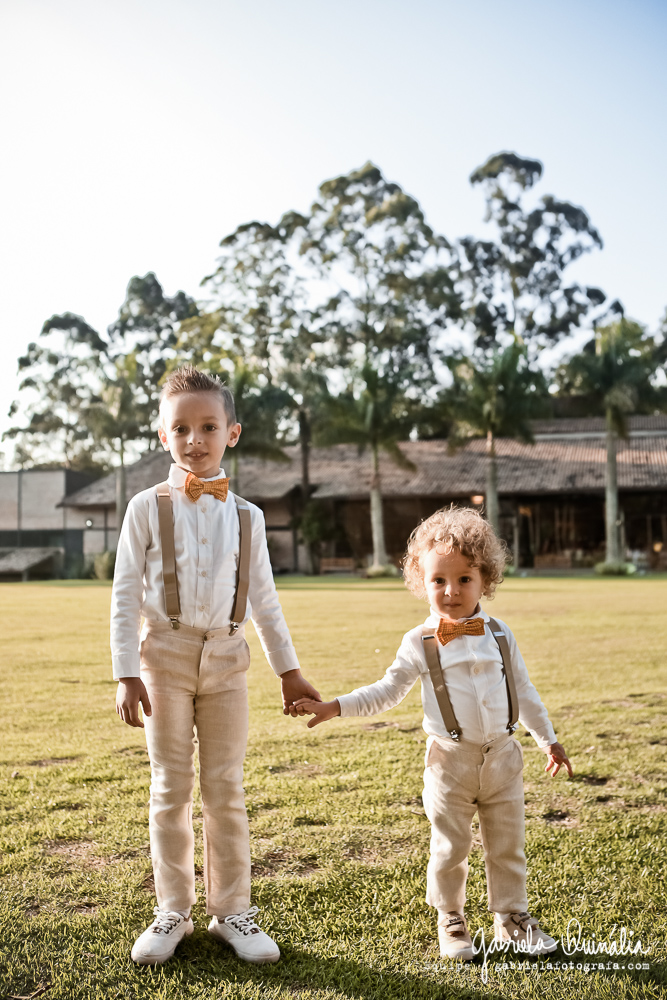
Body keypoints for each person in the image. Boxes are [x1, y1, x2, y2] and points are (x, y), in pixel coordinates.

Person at [294, 505, 572, 961]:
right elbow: (387, 690)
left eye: (464, 579)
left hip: (504, 756)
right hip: (449, 762)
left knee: (508, 845)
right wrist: (335, 707)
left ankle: (512, 919)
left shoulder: (501, 634)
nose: (451, 591)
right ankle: (451, 919)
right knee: (450, 845)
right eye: (438, 580)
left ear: (486, 580)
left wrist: (548, 739)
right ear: (421, 582)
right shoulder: (418, 642)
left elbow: (524, 690)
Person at [112, 364, 320, 966]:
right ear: (162, 435)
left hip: (228, 659)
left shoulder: (249, 517)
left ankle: (232, 912)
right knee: (170, 787)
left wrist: (289, 670)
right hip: (164, 659)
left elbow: (264, 601)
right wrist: (126, 670)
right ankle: (172, 909)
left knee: (225, 787)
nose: (194, 440)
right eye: (181, 428)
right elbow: (126, 593)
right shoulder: (145, 509)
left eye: (208, 426)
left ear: (232, 432)